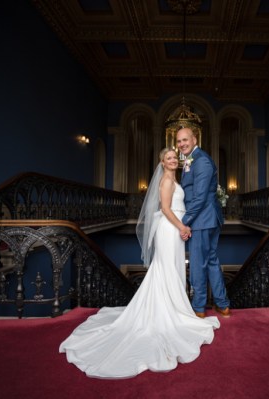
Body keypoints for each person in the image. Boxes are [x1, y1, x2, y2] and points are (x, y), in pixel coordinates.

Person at [59, 148, 219, 379]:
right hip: (170, 228)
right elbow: (165, 209)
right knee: (166, 269)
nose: (173, 160)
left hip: (175, 229)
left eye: (175, 157)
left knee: (172, 269)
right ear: (162, 162)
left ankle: (174, 308)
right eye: (169, 158)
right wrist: (183, 226)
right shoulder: (166, 180)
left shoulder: (176, 178)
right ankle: (169, 312)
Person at [176, 127, 231, 319]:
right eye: (179, 141)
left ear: (194, 138)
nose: (181, 144)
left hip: (202, 220)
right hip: (205, 219)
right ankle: (222, 305)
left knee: (199, 264)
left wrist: (183, 222)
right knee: (211, 261)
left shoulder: (202, 161)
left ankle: (198, 308)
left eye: (185, 140)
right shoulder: (192, 160)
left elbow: (199, 198)